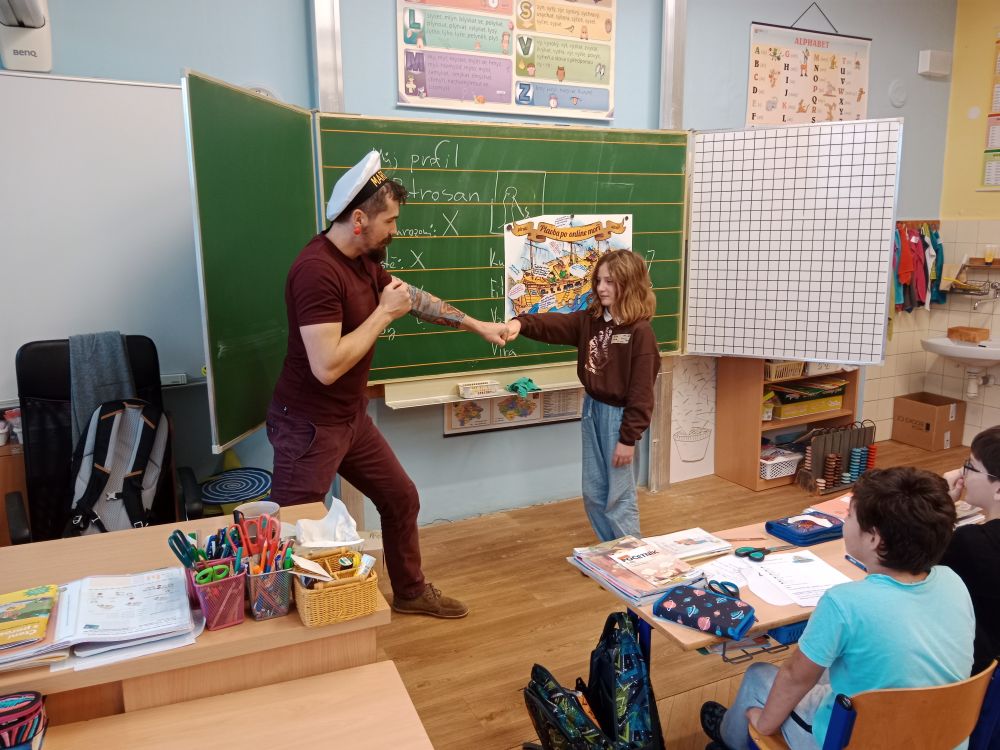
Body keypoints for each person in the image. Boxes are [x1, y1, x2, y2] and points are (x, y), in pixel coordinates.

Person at [267, 151, 508, 619]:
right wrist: (382, 315)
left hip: (348, 418)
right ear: (359, 220)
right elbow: (327, 366)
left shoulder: (362, 258)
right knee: (296, 530)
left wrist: (478, 325)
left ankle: (411, 593)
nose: (395, 230)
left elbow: (410, 298)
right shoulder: (316, 271)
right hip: (308, 427)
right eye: (390, 221)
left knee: (400, 498)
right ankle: (294, 628)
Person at [700, 467, 974, 750]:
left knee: (758, 677)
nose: (845, 520)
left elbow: (794, 677)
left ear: (874, 539)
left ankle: (730, 739)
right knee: (833, 666)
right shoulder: (953, 581)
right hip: (942, 735)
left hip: (858, 740)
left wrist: (764, 725)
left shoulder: (844, 603)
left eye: (850, 515)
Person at [504, 250, 659, 541]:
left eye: (610, 281)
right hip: (592, 409)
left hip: (619, 418)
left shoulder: (640, 332)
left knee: (619, 495)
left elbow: (641, 393)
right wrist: (520, 323)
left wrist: (628, 439)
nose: (601, 288)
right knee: (594, 491)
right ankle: (609, 552)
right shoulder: (592, 320)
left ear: (629, 283)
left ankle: (631, 554)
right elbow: (555, 325)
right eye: (598, 280)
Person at [942, 425, 1000, 675]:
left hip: (974, 673)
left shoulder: (972, 543)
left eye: (970, 466)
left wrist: (942, 503)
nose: (961, 473)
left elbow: (914, 563)